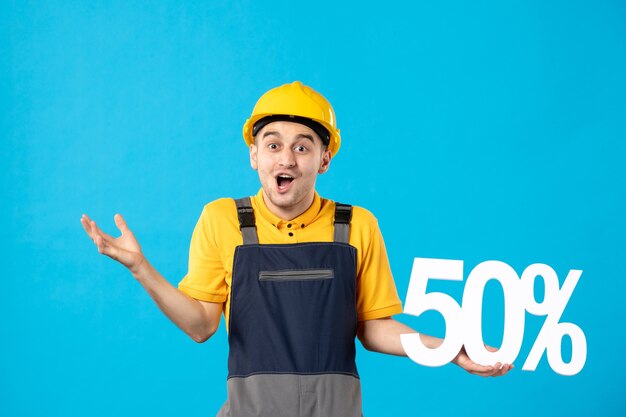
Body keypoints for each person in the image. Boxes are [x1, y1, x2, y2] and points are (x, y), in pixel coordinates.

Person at [81, 81, 512, 417]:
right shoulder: (222, 219)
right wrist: (141, 268)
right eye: (273, 144)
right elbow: (200, 326)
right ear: (254, 155)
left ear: (324, 159)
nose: (286, 158)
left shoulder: (356, 225)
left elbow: (373, 328)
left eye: (302, 146)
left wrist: (451, 349)